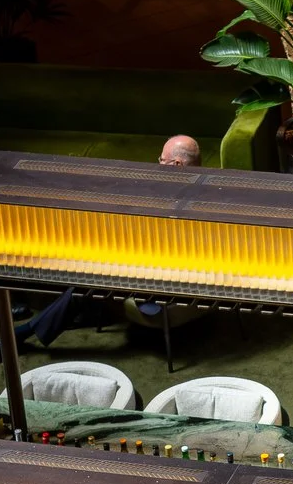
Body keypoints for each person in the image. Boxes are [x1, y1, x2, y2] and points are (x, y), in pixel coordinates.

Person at [17, 135, 205, 348]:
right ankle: (45, 322)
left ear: (177, 165)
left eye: (161, 160)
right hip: (143, 261)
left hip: (166, 279)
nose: (158, 165)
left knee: (92, 273)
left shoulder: (189, 202)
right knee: (87, 261)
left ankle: (25, 331)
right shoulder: (193, 186)